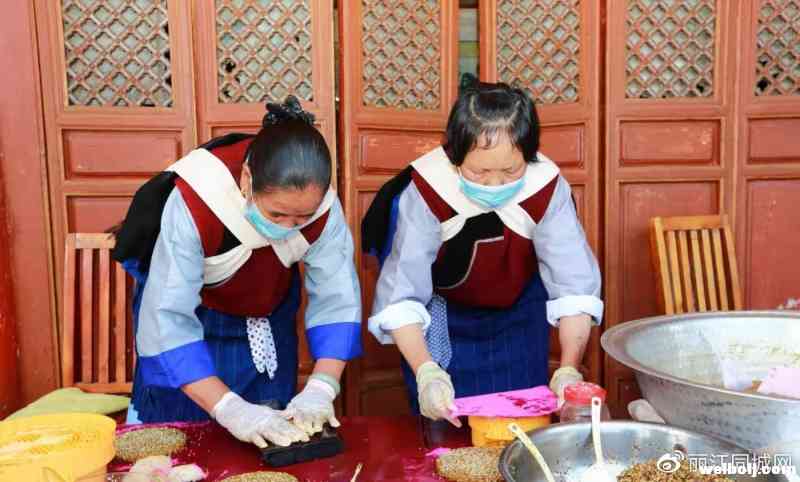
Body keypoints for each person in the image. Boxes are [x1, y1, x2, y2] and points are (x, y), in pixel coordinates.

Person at [112, 96, 361, 448]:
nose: (289, 227)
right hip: (195, 317)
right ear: (247, 178)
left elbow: (338, 301)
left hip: (268, 312)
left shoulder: (323, 209)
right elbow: (167, 318)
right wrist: (230, 409)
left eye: (301, 219)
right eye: (277, 215)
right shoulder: (196, 198)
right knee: (189, 439)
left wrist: (322, 387)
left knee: (272, 433)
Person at [361, 76, 602, 425]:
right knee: (445, 427)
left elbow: (573, 285)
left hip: (518, 316)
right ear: (455, 155)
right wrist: (426, 372)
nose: (494, 183)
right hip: (442, 317)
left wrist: (568, 368)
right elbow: (401, 294)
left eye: (511, 170)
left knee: (521, 426)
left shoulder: (546, 188)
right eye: (479, 171)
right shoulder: (428, 190)